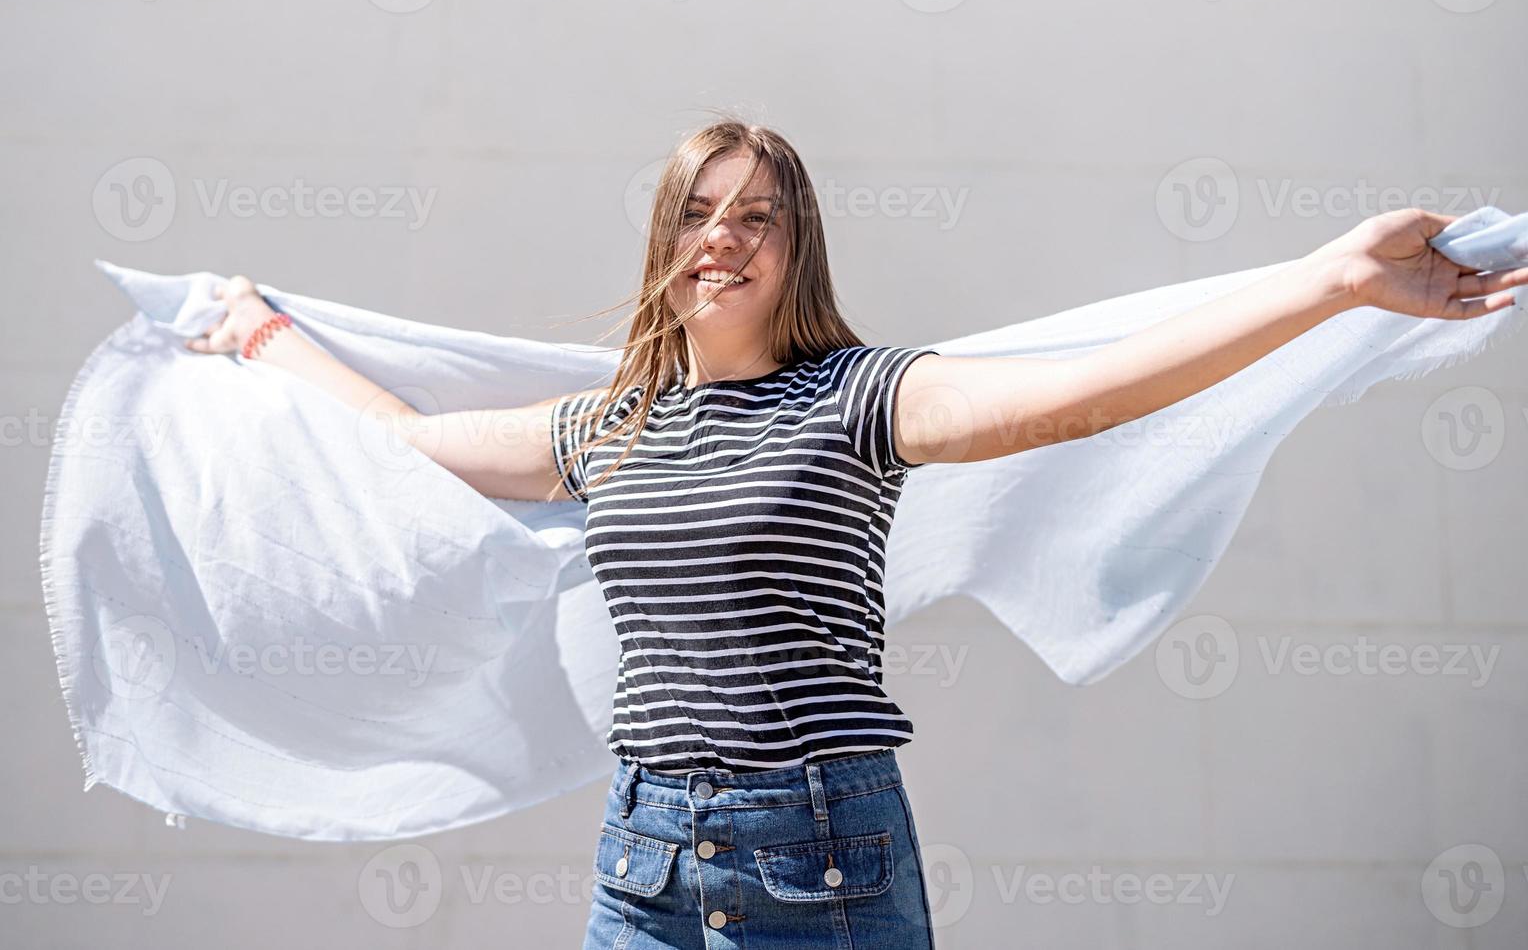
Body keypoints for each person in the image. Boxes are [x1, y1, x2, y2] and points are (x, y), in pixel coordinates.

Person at [183, 119, 1523, 948]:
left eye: (756, 214)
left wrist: (1326, 281)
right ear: (664, 246)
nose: (723, 235)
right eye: (697, 213)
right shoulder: (610, 429)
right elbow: (402, 452)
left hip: (816, 855)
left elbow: (1094, 387)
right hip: (641, 857)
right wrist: (262, 337)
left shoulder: (865, 396)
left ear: (794, 248)